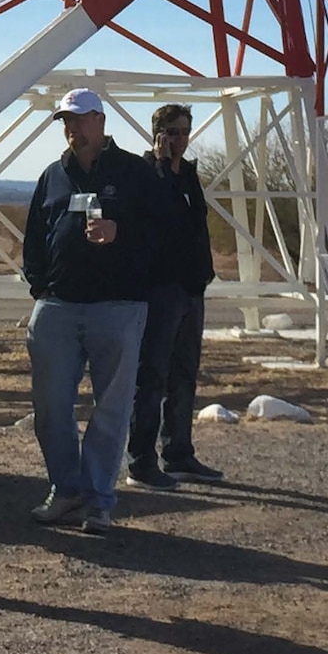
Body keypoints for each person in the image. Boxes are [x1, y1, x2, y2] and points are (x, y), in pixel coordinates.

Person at [22, 88, 159, 534]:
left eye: (79, 120)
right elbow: (34, 237)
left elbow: (163, 234)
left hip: (117, 307)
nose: (71, 129)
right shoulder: (52, 175)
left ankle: (99, 500)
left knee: (111, 408)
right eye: (65, 121)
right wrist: (40, 287)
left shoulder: (135, 173)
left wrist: (122, 231)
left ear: (100, 120)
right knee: (50, 407)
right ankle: (66, 490)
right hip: (58, 306)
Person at [127, 105, 222, 487]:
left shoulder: (190, 176)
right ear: (156, 133)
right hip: (159, 289)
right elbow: (159, 216)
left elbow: (194, 224)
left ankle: (179, 453)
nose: (178, 139)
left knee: (183, 376)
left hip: (190, 287)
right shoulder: (145, 175)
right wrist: (162, 166)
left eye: (183, 131)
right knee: (151, 376)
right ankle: (141, 460)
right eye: (171, 131)